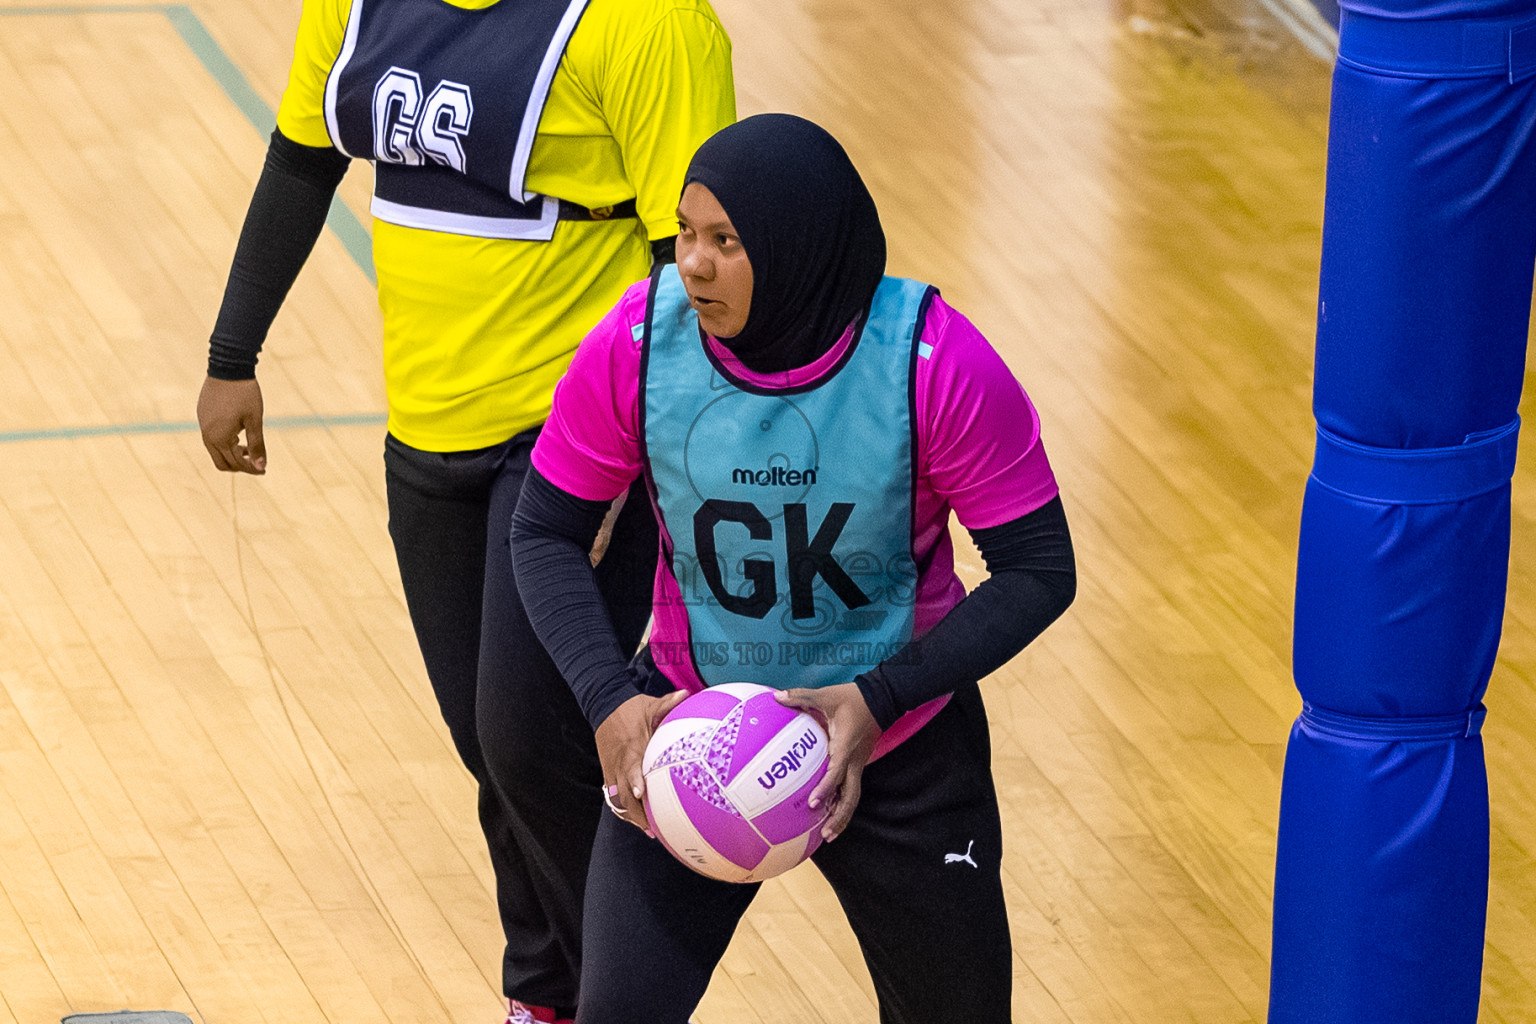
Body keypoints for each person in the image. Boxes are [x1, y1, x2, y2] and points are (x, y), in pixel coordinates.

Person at [194, 1, 735, 1021]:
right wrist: (233, 353)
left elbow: (691, 261)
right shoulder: (353, 6)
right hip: (427, 430)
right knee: (492, 752)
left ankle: (625, 999)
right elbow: (304, 158)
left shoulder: (648, 24)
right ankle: (547, 997)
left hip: (571, 443)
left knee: (533, 739)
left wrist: (638, 452)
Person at [510, 113, 1076, 1023]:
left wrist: (879, 698)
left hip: (900, 738)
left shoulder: (934, 363)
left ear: (799, 247)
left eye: (726, 242)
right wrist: (609, 699)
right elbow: (542, 532)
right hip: (691, 732)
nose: (692, 263)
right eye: (686, 234)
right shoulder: (637, 342)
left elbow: (1041, 568)